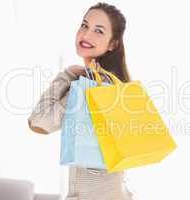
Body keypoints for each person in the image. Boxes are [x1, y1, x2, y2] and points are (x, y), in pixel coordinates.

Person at [28, 2, 133, 200]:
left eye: (98, 31)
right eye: (84, 25)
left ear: (113, 44)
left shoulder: (92, 85)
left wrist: (66, 75)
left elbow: (39, 122)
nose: (86, 35)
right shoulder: (116, 83)